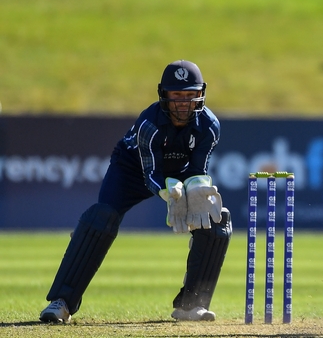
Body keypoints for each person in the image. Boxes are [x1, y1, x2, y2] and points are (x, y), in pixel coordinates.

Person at [39, 60, 230, 324]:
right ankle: (62, 302)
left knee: (215, 218)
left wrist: (195, 190)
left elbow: (198, 169)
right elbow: (150, 173)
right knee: (101, 219)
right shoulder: (149, 124)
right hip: (131, 170)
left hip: (181, 170)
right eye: (177, 95)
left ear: (200, 94)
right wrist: (169, 193)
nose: (183, 102)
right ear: (164, 95)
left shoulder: (209, 125)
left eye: (190, 95)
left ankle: (192, 304)